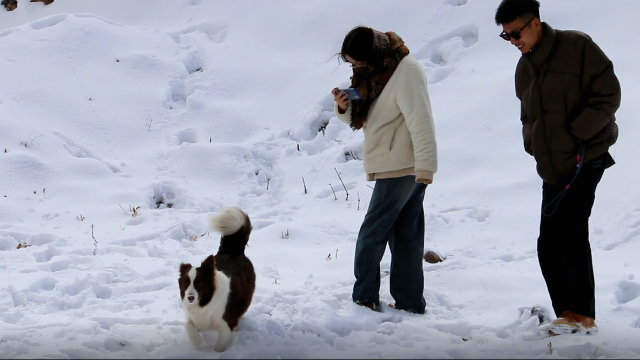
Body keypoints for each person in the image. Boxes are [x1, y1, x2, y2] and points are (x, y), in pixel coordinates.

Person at [495, 0, 620, 334]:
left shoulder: (576, 45)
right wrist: (532, 142)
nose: (513, 41)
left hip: (587, 155)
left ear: (535, 22)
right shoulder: (524, 67)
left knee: (571, 230)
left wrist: (577, 133)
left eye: (516, 33)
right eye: (506, 36)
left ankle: (583, 317)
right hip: (552, 165)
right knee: (548, 244)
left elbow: (609, 94)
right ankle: (568, 314)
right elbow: (528, 115)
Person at [331, 26, 438, 314]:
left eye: (358, 62)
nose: (355, 68)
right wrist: (344, 108)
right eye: (351, 63)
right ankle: (410, 303)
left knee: (372, 233)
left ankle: (364, 298)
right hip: (399, 165)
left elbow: (422, 122)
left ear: (374, 53)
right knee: (406, 236)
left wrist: (426, 168)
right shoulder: (378, 73)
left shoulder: (407, 72)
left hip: (402, 167)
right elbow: (369, 116)